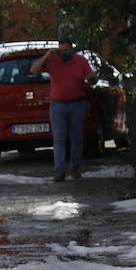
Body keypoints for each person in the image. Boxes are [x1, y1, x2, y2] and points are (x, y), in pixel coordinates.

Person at [32, 37, 93, 182]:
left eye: (66, 50)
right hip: (57, 105)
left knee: (77, 138)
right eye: (61, 50)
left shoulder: (81, 61)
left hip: (76, 104)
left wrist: (91, 78)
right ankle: (59, 171)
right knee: (59, 139)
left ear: (72, 49)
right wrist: (48, 54)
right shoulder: (53, 61)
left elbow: (90, 76)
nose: (64, 53)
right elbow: (33, 69)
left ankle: (74, 168)